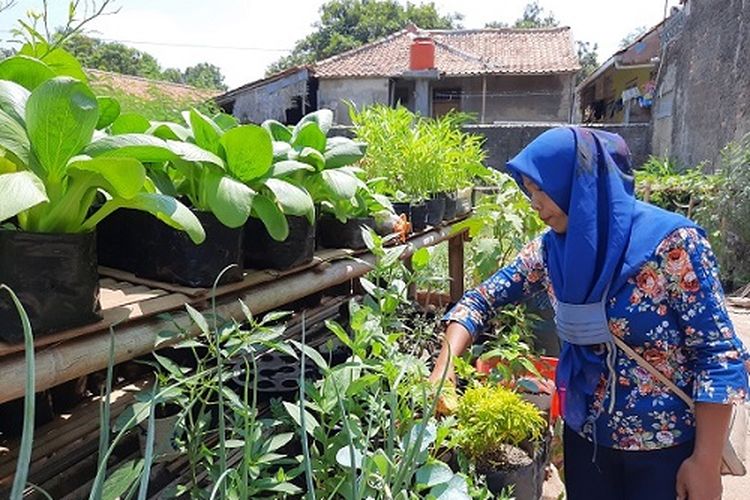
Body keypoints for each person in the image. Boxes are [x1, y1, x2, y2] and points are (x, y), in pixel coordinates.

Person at [429, 127, 749, 500]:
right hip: (587, 445)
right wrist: (445, 364)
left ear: (578, 184)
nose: (534, 204)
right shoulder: (551, 253)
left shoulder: (672, 248)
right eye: (528, 192)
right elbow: (480, 300)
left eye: (541, 189)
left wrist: (706, 462)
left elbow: (717, 354)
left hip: (666, 454)